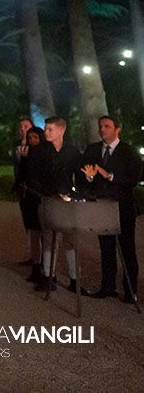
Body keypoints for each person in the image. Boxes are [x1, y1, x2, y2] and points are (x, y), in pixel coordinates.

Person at [80, 115, 142, 302]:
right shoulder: (92, 150)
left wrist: (111, 176)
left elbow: (133, 179)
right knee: (106, 248)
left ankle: (130, 291)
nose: (102, 129)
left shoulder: (128, 151)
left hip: (122, 207)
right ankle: (107, 287)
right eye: (101, 126)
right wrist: (90, 177)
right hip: (102, 206)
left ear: (117, 129)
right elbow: (83, 176)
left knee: (127, 248)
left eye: (107, 126)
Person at [32, 116, 84, 293]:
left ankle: (75, 279)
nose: (46, 132)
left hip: (67, 200)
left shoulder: (72, 152)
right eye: (46, 129)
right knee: (48, 239)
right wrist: (51, 191)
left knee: (70, 239)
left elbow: (80, 176)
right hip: (49, 198)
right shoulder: (40, 151)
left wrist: (73, 194)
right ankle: (48, 276)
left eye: (50, 129)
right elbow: (34, 177)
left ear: (61, 130)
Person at [17, 125, 45, 283]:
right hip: (29, 197)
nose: (33, 140)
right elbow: (22, 174)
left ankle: (44, 267)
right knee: (34, 233)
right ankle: (36, 266)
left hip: (40, 196)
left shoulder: (44, 153)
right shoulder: (27, 154)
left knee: (44, 235)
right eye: (30, 138)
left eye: (35, 137)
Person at [12, 117, 38, 267]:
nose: (23, 129)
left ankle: (38, 257)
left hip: (32, 189)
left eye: (26, 126)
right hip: (22, 188)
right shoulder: (18, 145)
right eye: (21, 126)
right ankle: (32, 254)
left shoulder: (35, 145)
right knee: (27, 223)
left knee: (36, 224)